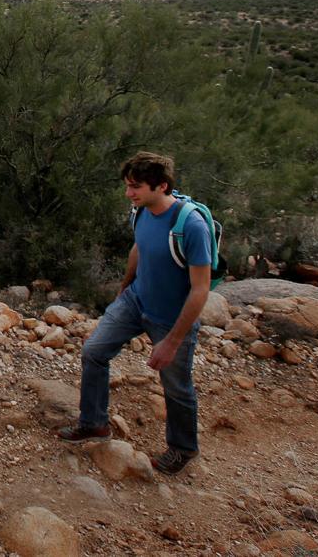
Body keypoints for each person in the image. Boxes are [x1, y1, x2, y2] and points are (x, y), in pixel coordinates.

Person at [57, 152, 211, 475]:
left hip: (173, 317)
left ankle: (183, 448)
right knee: (94, 351)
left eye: (136, 187)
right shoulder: (140, 212)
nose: (129, 193)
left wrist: (171, 342)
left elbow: (200, 291)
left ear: (162, 186)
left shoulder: (191, 226)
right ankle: (94, 423)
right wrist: (124, 289)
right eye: (128, 186)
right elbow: (138, 248)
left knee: (176, 385)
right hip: (136, 301)